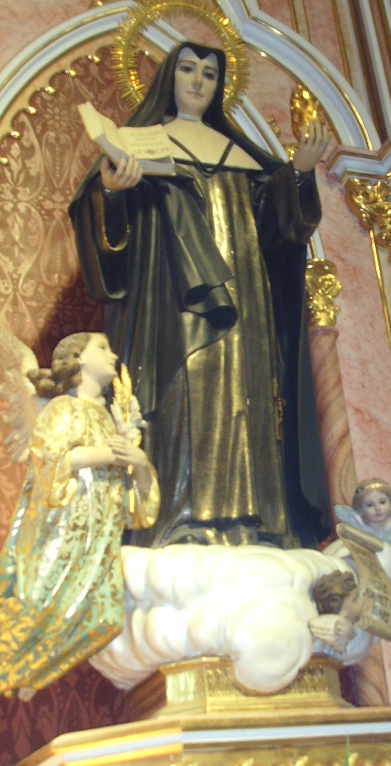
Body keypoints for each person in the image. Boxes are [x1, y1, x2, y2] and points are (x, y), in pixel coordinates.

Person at [70, 42, 331, 548]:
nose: (197, 81)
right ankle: (178, 519)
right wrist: (115, 192)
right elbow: (108, 246)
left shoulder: (240, 157)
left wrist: (298, 173)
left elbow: (278, 235)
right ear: (168, 76)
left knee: (246, 394)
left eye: (209, 74)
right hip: (174, 303)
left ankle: (256, 524)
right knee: (186, 396)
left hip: (245, 301)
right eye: (187, 69)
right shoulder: (143, 145)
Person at [0, 332, 157, 713]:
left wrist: (140, 463)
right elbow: (51, 458)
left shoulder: (112, 420)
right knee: (34, 604)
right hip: (59, 531)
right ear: (78, 358)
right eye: (102, 347)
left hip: (98, 540)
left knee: (102, 619)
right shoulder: (61, 408)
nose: (113, 354)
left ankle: (33, 666)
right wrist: (109, 453)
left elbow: (138, 506)